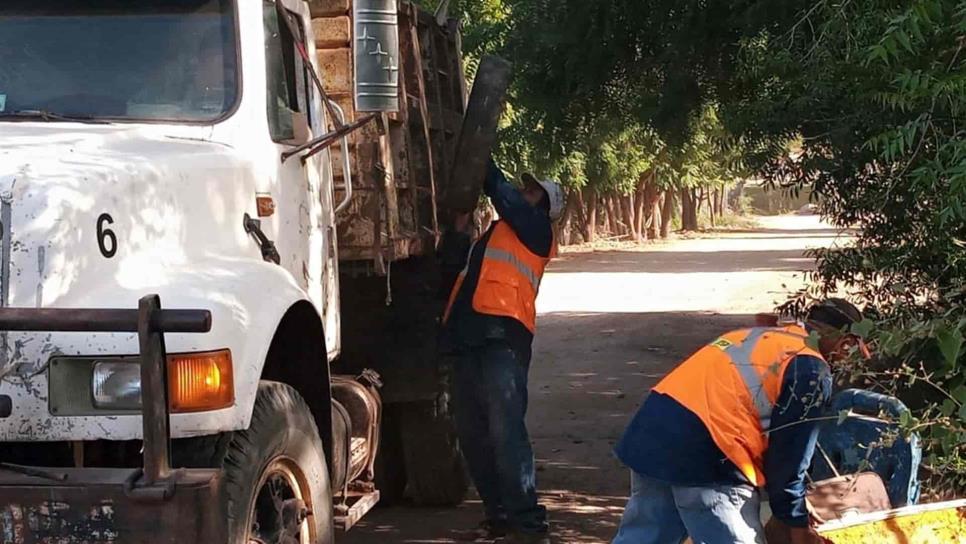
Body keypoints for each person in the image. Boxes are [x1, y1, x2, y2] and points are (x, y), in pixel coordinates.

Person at [611, 299, 870, 544]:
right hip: (710, 455)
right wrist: (797, 524)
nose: (849, 359)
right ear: (845, 342)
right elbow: (788, 462)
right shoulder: (810, 369)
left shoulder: (758, 336)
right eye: (854, 350)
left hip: (653, 436)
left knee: (644, 537)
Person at [442, 159, 565, 543]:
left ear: (545, 207)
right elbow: (453, 273)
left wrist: (480, 157)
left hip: (503, 339)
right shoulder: (493, 236)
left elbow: (503, 195)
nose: (524, 192)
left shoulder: (536, 229)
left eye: (533, 192)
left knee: (505, 432)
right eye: (526, 188)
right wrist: (459, 235)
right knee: (472, 434)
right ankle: (498, 517)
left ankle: (529, 524)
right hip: (466, 338)